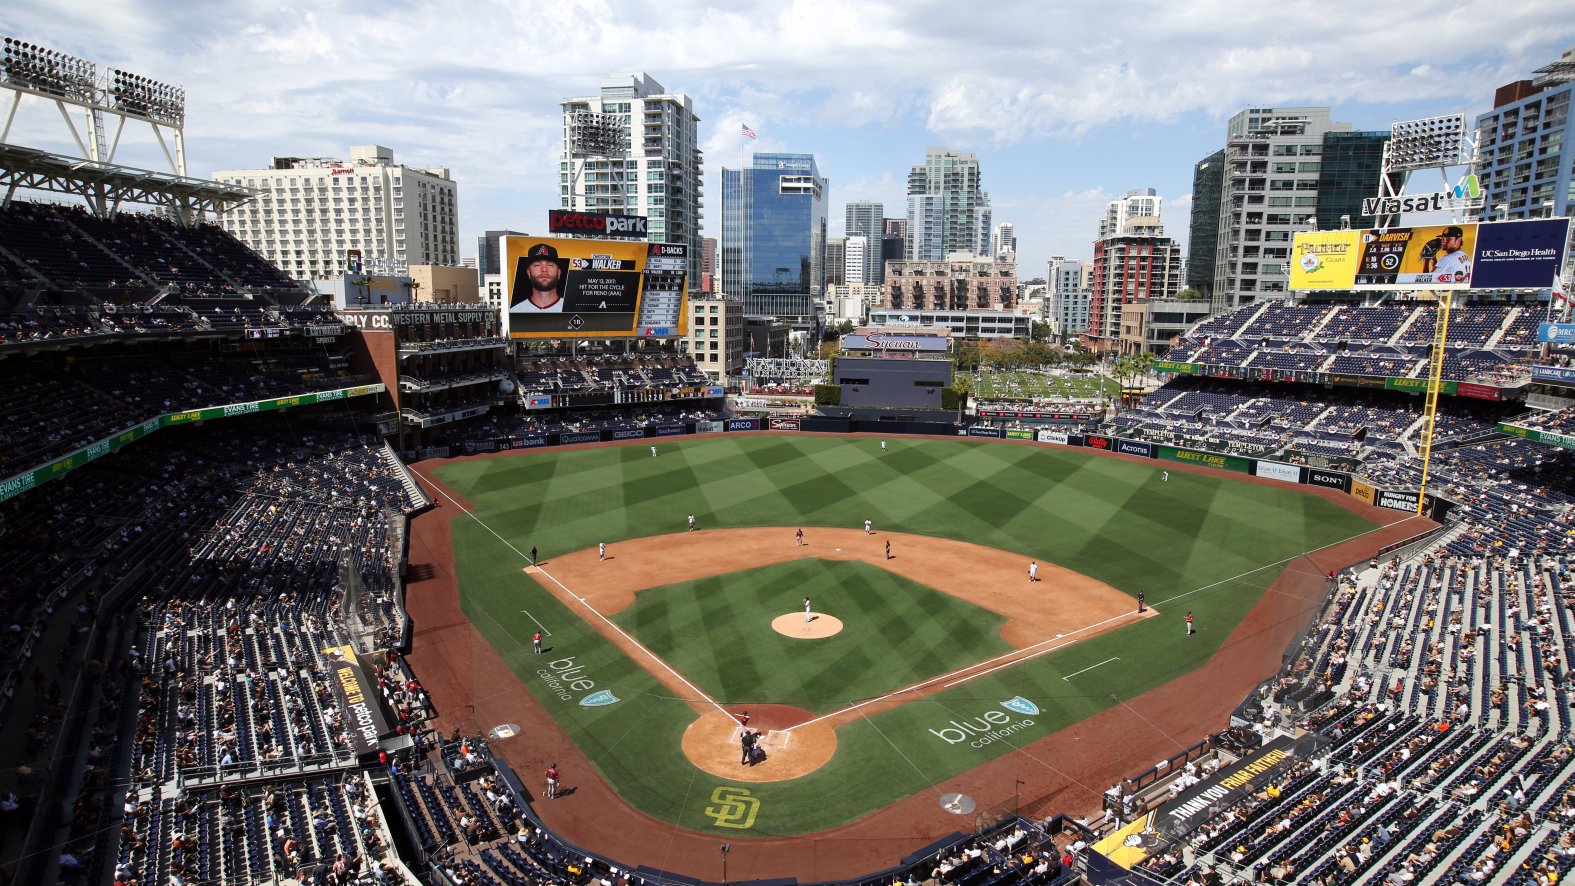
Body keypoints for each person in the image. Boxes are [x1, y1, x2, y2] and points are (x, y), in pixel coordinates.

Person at [514, 243, 566, 311]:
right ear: (529, 273)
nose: (544, 269)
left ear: (559, 273)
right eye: (537, 265)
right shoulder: (516, 311)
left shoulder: (571, 309)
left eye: (550, 265)